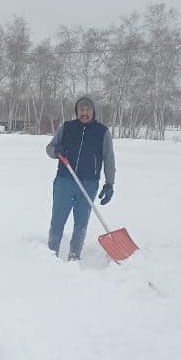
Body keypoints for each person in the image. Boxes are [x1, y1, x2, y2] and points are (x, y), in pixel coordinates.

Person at [45, 96, 116, 261]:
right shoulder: (67, 127)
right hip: (64, 181)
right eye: (81, 110)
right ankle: (50, 255)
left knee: (81, 223)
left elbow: (109, 159)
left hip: (89, 183)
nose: (84, 113)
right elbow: (49, 148)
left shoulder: (102, 132)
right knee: (58, 220)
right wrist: (57, 151)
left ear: (93, 111)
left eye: (87, 109)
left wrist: (109, 183)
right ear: (77, 111)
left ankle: (74, 256)